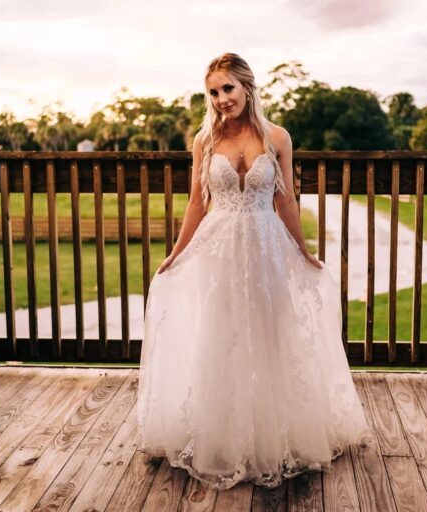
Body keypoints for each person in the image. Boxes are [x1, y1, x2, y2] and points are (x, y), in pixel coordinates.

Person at [136, 53, 370, 490]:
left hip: (266, 248)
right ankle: (221, 434)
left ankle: (271, 435)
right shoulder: (204, 141)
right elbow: (196, 203)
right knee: (220, 337)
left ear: (247, 87)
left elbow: (285, 201)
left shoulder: (277, 137)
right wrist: (176, 253)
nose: (222, 99)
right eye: (214, 91)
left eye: (228, 88)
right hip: (218, 249)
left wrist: (303, 250)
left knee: (270, 335)